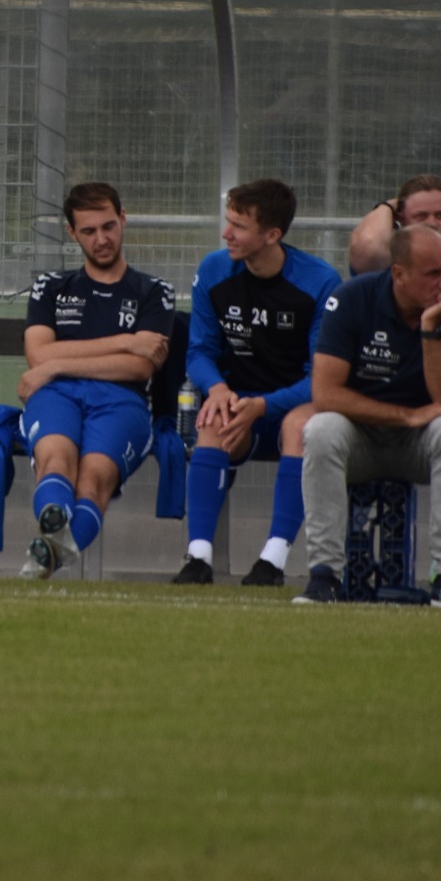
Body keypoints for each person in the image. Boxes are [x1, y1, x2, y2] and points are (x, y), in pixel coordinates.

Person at [295, 225, 441, 608]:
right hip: (361, 438)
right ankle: (324, 577)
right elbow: (325, 394)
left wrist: (430, 330)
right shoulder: (351, 299)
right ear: (398, 274)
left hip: (420, 444)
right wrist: (406, 415)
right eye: (434, 273)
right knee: (320, 428)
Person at [173, 179, 341, 587]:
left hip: (295, 404)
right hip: (238, 401)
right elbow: (198, 352)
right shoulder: (214, 270)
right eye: (227, 221)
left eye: (238, 226)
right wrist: (216, 389)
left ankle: (272, 561)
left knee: (301, 427)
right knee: (211, 421)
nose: (225, 233)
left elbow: (323, 380)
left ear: (272, 235)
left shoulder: (320, 282)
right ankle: (198, 559)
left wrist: (263, 406)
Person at [17, 182, 176, 580]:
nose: (101, 239)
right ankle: (52, 551)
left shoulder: (155, 292)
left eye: (109, 226)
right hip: (56, 394)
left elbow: (139, 370)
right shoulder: (50, 286)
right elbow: (39, 355)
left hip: (122, 400)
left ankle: (47, 557)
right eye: (88, 231)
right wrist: (126, 342)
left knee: (93, 481)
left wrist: (58, 362)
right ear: (72, 233)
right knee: (56, 460)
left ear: (123, 219)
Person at [347, 173, 441, 523]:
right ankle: (345, 551)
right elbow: (367, 246)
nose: (432, 222)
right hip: (377, 397)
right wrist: (388, 206)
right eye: (420, 216)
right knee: (324, 431)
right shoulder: (389, 267)